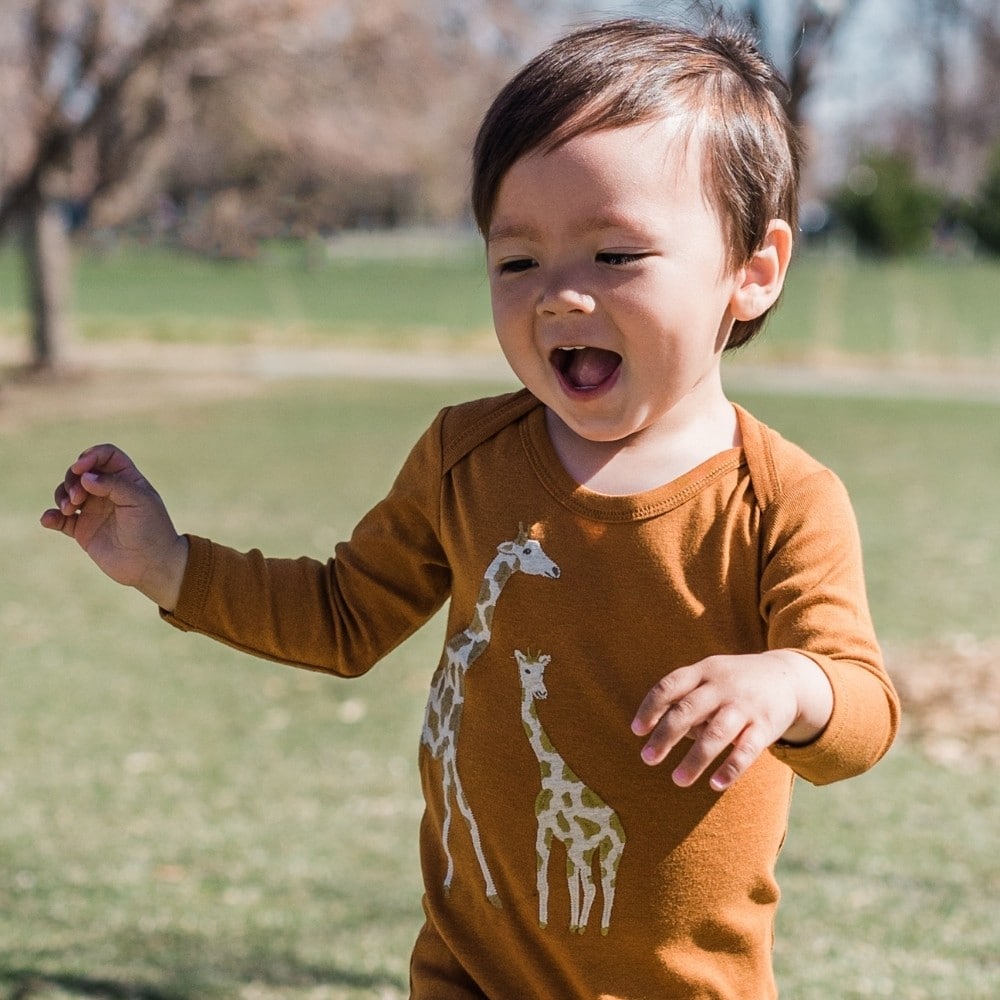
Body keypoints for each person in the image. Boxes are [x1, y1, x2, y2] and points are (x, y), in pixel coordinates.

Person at [41, 16, 899, 999]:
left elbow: (862, 707)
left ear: (752, 270)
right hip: (471, 974)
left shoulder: (781, 498)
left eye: (614, 254)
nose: (558, 296)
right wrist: (166, 562)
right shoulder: (467, 456)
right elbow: (340, 615)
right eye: (516, 260)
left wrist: (788, 683)